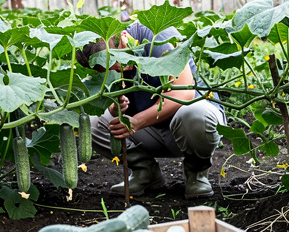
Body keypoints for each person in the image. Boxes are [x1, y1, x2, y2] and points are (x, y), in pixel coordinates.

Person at [76, 22, 225, 198]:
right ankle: (145, 172)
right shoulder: (113, 66)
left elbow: (184, 93)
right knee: (91, 123)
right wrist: (116, 108)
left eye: (117, 59)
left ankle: (197, 174)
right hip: (151, 133)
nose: (118, 67)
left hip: (190, 129)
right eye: (110, 67)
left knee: (194, 113)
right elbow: (112, 106)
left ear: (124, 35)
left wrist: (137, 122)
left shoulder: (156, 33)